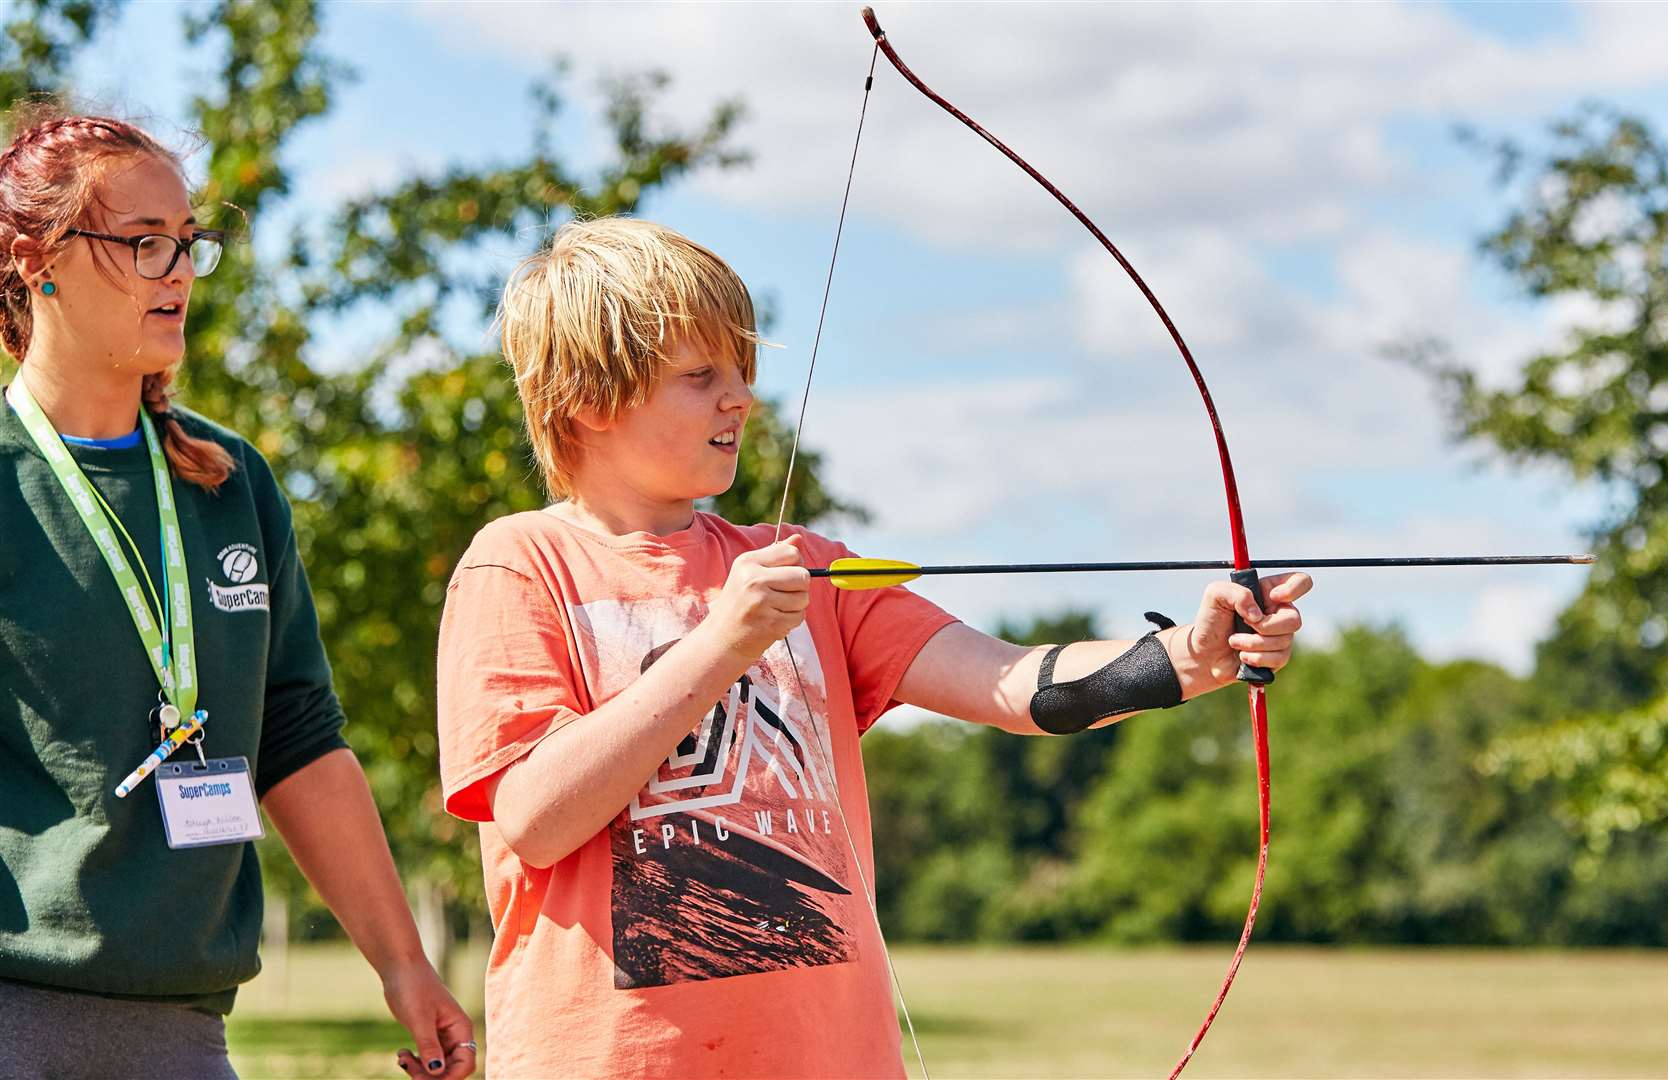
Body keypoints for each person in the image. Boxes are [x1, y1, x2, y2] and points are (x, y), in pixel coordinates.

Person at [435, 217, 1310, 1078]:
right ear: (586, 402)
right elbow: (534, 817)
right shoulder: (519, 564)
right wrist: (723, 644)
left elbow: (1016, 685)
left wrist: (1189, 658)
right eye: (700, 375)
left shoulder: (809, 568)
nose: (739, 397)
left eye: (741, 371)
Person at [0, 109, 475, 1079]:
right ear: (32, 255)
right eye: (142, 243)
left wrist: (402, 964)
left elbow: (297, 734)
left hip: (188, 1026)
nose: (177, 271)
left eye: (188, 243)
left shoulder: (230, 480)